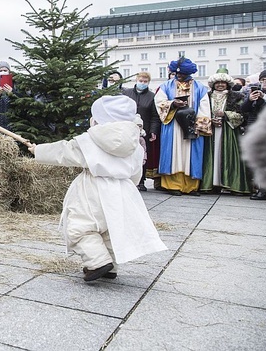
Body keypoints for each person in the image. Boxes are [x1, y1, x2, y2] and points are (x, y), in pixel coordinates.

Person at [28, 96, 167, 282]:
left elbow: (65, 152)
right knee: (112, 229)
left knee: (80, 227)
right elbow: (136, 172)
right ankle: (111, 266)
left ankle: (98, 262)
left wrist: (39, 150)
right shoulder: (135, 143)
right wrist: (128, 188)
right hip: (122, 190)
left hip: (92, 188)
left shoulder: (90, 140)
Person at [154, 57, 211, 196]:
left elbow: (204, 107)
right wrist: (173, 104)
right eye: (177, 73)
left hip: (192, 125)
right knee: (174, 154)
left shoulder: (200, 88)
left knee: (191, 155)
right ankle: (173, 185)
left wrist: (199, 126)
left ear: (189, 73)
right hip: (172, 126)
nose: (179, 76)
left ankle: (191, 187)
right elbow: (159, 102)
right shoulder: (166, 86)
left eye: (182, 74)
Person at [200, 70, 249, 195]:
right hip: (211, 129)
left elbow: (243, 114)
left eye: (223, 82)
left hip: (229, 130)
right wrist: (210, 120)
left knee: (230, 155)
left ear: (227, 84)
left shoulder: (237, 97)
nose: (220, 85)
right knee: (211, 155)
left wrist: (225, 114)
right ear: (213, 84)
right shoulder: (206, 96)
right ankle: (211, 184)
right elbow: (201, 112)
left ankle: (232, 184)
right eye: (218, 83)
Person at [122, 71, 160, 191]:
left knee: (141, 156)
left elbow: (155, 116)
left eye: (145, 81)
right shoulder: (126, 93)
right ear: (136, 80)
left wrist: (153, 131)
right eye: (141, 81)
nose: (142, 83)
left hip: (144, 130)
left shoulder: (152, 96)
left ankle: (141, 181)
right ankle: (126, 178)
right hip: (127, 128)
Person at [241, 69, 266, 200]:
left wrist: (264, 98)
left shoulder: (265, 96)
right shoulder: (254, 92)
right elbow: (243, 110)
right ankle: (261, 189)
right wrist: (249, 100)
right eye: (263, 79)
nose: (265, 82)